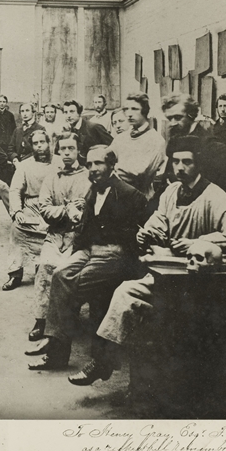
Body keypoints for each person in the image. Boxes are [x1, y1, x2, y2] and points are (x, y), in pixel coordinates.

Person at [72, 136, 226, 386]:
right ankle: (103, 362)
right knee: (125, 292)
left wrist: (199, 242)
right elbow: (159, 220)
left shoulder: (214, 195)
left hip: (199, 280)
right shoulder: (171, 191)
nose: (179, 167)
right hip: (168, 271)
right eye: (175, 161)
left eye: (186, 162)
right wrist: (148, 231)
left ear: (198, 164)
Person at [27, 145, 147, 371]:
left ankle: (65, 351)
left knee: (73, 285)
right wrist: (77, 254)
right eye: (89, 164)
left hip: (114, 252)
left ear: (112, 165)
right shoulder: (92, 190)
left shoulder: (130, 194)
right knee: (60, 275)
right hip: (89, 250)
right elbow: (84, 229)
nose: (92, 169)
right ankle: (56, 352)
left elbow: (142, 230)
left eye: (98, 163)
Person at [29, 132, 91, 342]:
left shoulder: (88, 177)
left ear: (78, 150)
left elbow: (91, 211)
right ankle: (41, 320)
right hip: (56, 234)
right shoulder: (52, 177)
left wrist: (79, 213)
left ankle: (67, 320)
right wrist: (66, 210)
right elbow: (44, 208)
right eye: (62, 149)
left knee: (66, 271)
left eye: (70, 148)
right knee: (46, 266)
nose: (66, 153)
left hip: (79, 238)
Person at [161, 93, 226, 200]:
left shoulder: (209, 143)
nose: (172, 123)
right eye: (169, 118)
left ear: (191, 115)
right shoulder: (174, 142)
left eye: (177, 117)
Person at [4, 129, 57, 291]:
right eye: (35, 143)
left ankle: (46, 268)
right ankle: (15, 273)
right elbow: (14, 190)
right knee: (16, 229)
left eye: (42, 142)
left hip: (54, 207)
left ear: (49, 143)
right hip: (31, 207)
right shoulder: (25, 165)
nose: (39, 147)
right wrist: (17, 211)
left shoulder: (60, 162)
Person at [109, 93, 166, 201]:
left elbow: (139, 173)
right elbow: (104, 158)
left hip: (140, 199)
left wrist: (113, 168)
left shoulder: (156, 140)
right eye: (126, 109)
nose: (129, 114)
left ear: (144, 111)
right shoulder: (121, 138)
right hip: (116, 197)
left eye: (134, 109)